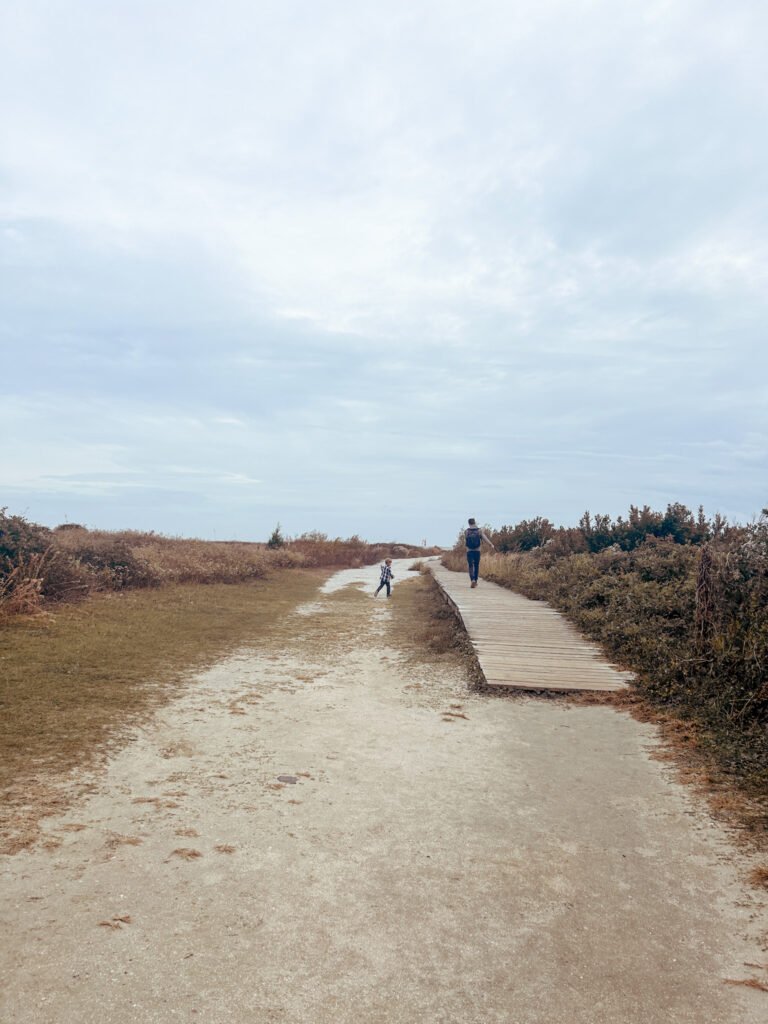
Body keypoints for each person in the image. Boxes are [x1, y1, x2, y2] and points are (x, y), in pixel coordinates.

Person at [465, 518, 495, 588]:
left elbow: (466, 540)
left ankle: (472, 580)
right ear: (475, 523)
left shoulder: (466, 531)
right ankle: (475, 581)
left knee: (470, 565)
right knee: (476, 565)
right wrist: (491, 544)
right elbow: (485, 538)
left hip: (469, 550)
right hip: (477, 550)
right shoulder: (479, 531)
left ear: (469, 523)